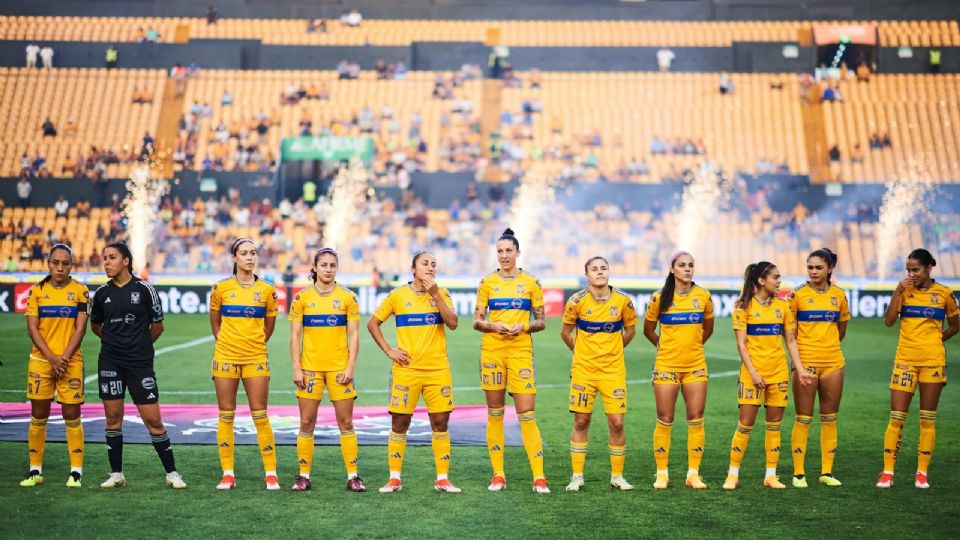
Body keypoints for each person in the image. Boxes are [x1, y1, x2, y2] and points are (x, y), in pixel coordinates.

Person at [90, 243, 186, 489]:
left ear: (125, 261)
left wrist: (139, 346)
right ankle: (116, 474)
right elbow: (96, 326)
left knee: (153, 420)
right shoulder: (101, 293)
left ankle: (172, 473)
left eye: (112, 258)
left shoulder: (145, 289)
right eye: (105, 258)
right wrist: (116, 343)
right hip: (110, 360)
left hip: (139, 364)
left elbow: (158, 326)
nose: (107, 262)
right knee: (113, 417)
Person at [367, 251, 461, 494]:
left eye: (433, 265)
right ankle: (394, 479)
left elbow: (452, 323)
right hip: (406, 370)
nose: (430, 268)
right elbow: (373, 323)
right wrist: (389, 350)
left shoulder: (442, 293)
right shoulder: (398, 296)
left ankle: (442, 479)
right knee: (400, 423)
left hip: (437, 370)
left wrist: (436, 296)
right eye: (425, 264)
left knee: (440, 422)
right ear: (413, 269)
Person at [473, 228, 549, 493]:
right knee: (495, 415)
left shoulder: (531, 282)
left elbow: (541, 322)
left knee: (526, 415)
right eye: (500, 251)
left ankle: (539, 477)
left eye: (508, 251)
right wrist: (493, 325)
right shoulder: (486, 283)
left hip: (520, 352)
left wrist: (523, 327)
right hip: (492, 352)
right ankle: (498, 475)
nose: (504, 256)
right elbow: (476, 321)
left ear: (518, 253)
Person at [722, 261, 809, 490]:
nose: (779, 281)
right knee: (745, 424)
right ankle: (733, 473)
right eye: (775, 277)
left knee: (774, 425)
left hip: (778, 373)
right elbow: (742, 345)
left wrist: (799, 370)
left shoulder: (783, 306)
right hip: (752, 374)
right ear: (761, 280)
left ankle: (771, 475)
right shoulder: (743, 307)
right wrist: (753, 372)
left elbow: (790, 340)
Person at [878, 249, 958, 489]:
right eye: (908, 270)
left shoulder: (944, 294)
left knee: (927, 419)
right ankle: (887, 472)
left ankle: (921, 472)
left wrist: (935, 341)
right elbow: (889, 321)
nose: (911, 274)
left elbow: (955, 325)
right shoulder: (905, 292)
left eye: (916, 270)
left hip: (932, 363)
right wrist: (897, 292)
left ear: (929, 268)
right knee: (896, 418)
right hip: (905, 361)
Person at [288, 248, 365, 492]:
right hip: (310, 370)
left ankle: (353, 476)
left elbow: (353, 335)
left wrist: (350, 366)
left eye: (333, 265)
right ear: (315, 267)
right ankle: (303, 476)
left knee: (346, 422)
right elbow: (295, 336)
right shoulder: (301, 298)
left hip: (339, 370)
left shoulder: (348, 298)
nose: (328, 269)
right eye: (324, 265)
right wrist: (297, 368)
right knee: (306, 422)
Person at [560, 256, 638, 492]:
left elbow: (631, 330)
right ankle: (577, 476)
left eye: (603, 268)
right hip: (584, 371)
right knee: (581, 421)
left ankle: (617, 477)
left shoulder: (623, 300)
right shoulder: (576, 302)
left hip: (613, 372)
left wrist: (614, 350)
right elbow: (565, 333)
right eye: (594, 269)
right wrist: (581, 353)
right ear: (587, 275)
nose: (600, 272)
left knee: (617, 423)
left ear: (609, 272)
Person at [209, 238, 279, 490]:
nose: (250, 257)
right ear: (234, 258)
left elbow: (269, 327)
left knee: (260, 415)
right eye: (244, 253)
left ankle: (270, 473)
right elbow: (215, 323)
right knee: (226, 415)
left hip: (256, 358)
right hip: (225, 358)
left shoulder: (268, 290)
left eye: (253, 253)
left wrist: (254, 344)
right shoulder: (220, 288)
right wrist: (227, 345)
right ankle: (228, 474)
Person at [642, 251, 714, 490]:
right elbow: (649, 330)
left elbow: (708, 329)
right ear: (672, 269)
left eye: (691, 265)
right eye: (682, 265)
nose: (687, 269)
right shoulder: (659, 298)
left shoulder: (703, 296)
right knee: (665, 418)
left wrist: (692, 347)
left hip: (695, 366)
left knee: (696, 418)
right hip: (666, 366)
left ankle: (693, 474)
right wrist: (665, 348)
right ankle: (661, 473)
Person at [19, 245, 88, 488]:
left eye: (65, 263)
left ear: (72, 265)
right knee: (39, 415)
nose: (60, 268)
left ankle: (76, 472)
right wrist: (52, 358)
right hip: (41, 361)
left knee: (72, 414)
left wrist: (64, 358)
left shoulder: (81, 291)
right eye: (55, 263)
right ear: (48, 263)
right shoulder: (36, 291)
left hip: (70, 361)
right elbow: (32, 329)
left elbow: (80, 328)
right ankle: (34, 470)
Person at [788, 248, 850, 488]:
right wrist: (800, 364)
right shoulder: (797, 295)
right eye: (810, 267)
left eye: (818, 267)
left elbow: (840, 330)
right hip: (805, 364)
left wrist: (828, 346)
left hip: (833, 362)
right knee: (803, 418)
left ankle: (827, 472)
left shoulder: (839, 296)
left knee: (829, 418)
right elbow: (790, 334)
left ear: (829, 269)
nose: (813, 271)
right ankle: (798, 473)